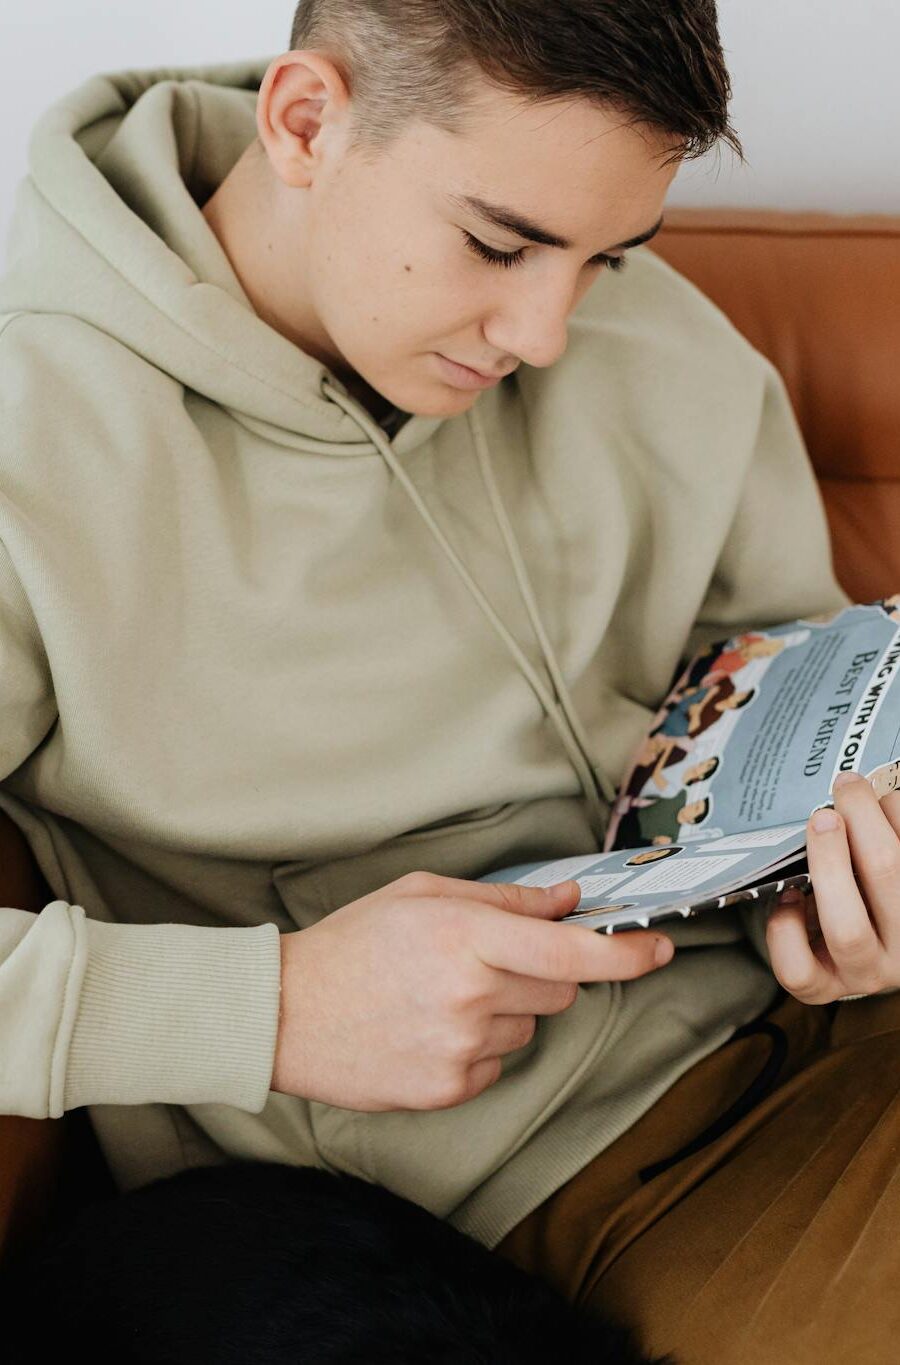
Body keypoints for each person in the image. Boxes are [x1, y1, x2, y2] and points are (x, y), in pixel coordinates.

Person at [2, 3, 899, 1361]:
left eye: (608, 254)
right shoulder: (32, 435)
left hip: (839, 1027)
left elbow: (806, 680)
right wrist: (279, 1006)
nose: (547, 330)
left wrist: (843, 898)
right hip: (571, 1180)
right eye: (502, 242)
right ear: (308, 122)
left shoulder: (656, 344)